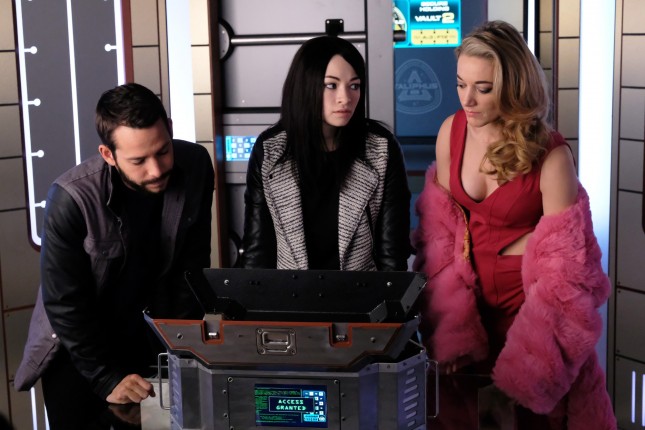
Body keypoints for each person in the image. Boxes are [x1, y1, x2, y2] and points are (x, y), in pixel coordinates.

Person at [412, 21, 616, 429]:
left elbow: (569, 278)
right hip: (467, 323)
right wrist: (448, 331)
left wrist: (526, 374)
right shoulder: (451, 132)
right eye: (460, 84)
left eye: (483, 88)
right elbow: (440, 239)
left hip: (531, 327)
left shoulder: (551, 156)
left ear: (513, 87)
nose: (467, 100)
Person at [15, 83, 214, 429]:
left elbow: (191, 268)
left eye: (163, 151)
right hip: (79, 354)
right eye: (138, 161)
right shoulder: (70, 198)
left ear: (169, 128)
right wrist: (107, 377)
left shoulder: (195, 164)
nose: (156, 170)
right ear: (108, 154)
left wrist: (183, 353)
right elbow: (64, 303)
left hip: (150, 340)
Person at [241, 36, 411, 271]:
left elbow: (392, 253)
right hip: (291, 291)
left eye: (354, 86)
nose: (345, 98)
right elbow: (257, 251)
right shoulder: (270, 149)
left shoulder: (380, 148)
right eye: (331, 85)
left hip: (362, 291)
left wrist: (389, 295)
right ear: (305, 86)